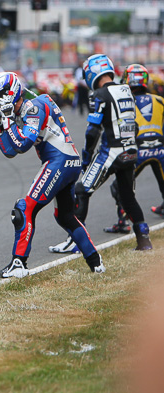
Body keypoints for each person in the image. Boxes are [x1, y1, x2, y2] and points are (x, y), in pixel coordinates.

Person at [0, 72, 105, 277]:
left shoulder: (33, 107)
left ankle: (18, 264)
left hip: (59, 162)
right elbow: (10, 151)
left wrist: (7, 122)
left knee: (25, 208)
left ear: (9, 94)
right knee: (65, 217)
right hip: (68, 162)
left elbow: (22, 145)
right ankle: (96, 262)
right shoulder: (27, 105)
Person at [49, 54, 153, 253]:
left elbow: (92, 131)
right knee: (128, 197)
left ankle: (76, 241)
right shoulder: (126, 90)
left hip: (111, 152)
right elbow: (135, 124)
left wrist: (86, 157)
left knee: (81, 190)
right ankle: (144, 240)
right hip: (131, 151)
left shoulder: (99, 95)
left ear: (92, 73)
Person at [105, 64, 164, 233]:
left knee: (119, 186)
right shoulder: (160, 100)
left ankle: (122, 221)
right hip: (161, 150)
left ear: (127, 79)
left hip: (138, 151)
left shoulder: (126, 101)